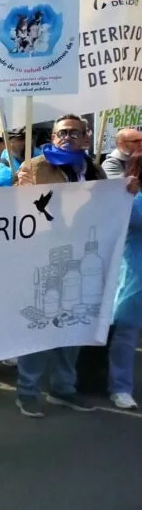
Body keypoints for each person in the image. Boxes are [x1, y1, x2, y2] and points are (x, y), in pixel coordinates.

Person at [14, 114, 141, 416]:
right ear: (52, 137)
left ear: (86, 139)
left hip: (80, 256)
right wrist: (18, 191)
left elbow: (108, 208)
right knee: (40, 326)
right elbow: (16, 212)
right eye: (61, 132)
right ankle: (27, 390)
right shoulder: (34, 167)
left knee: (74, 324)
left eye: (74, 133)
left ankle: (63, 388)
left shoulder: (94, 168)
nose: (67, 137)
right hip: (44, 255)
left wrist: (127, 190)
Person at [109, 151, 142, 410]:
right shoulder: (131, 197)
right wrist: (125, 195)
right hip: (135, 270)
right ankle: (121, 387)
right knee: (127, 331)